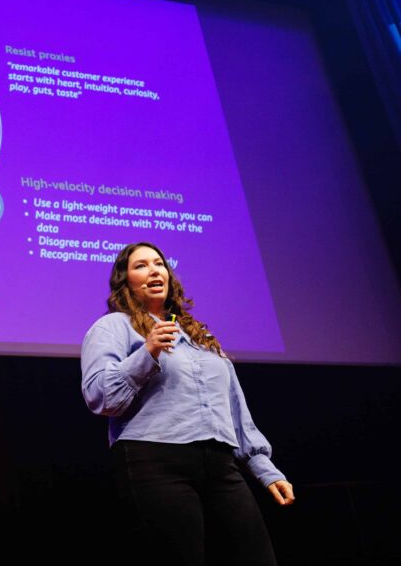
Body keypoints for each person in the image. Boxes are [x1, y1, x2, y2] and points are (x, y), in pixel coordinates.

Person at [80, 241, 294, 566]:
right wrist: (147, 352)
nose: (154, 270)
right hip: (155, 460)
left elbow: (234, 407)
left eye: (159, 263)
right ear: (125, 281)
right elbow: (101, 397)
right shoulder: (112, 327)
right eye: (141, 266)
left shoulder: (199, 336)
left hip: (220, 462)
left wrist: (264, 468)